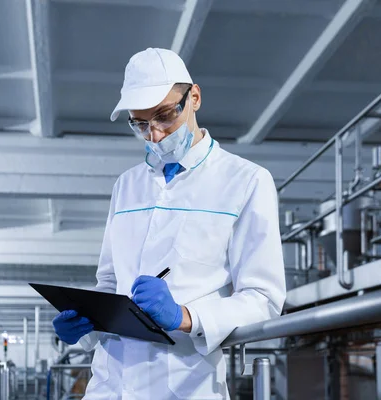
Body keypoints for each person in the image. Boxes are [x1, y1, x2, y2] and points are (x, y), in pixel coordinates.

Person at [52, 47, 286, 399]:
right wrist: (86, 321)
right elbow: (111, 281)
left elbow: (264, 298)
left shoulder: (246, 181)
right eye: (141, 124)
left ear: (194, 97)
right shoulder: (127, 185)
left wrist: (185, 316)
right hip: (109, 383)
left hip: (185, 385)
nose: (155, 135)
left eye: (164, 116)